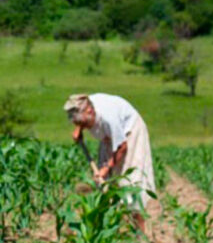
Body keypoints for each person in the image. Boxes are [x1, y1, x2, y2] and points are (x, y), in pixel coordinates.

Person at [64, 93, 156, 233]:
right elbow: (79, 116)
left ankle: (140, 233)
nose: (84, 126)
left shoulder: (108, 118)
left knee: (130, 183)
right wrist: (79, 129)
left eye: (83, 124)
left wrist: (106, 168)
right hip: (109, 136)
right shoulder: (84, 105)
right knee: (103, 183)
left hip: (130, 133)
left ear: (90, 112)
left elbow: (122, 147)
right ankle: (107, 230)